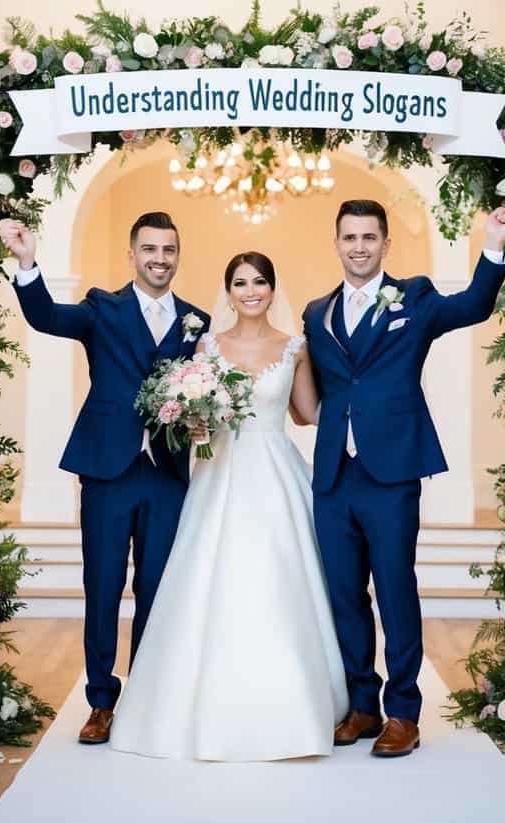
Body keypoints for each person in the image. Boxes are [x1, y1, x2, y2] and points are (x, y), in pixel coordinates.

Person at [110, 251, 348, 760]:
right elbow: (193, 415)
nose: (251, 291)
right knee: (210, 578)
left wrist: (361, 402)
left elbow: (306, 414)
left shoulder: (294, 348)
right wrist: (194, 420)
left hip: (274, 471)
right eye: (240, 282)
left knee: (279, 578)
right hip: (219, 472)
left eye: (260, 281)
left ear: (271, 287)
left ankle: (292, 700)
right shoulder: (205, 346)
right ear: (229, 290)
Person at [302, 199, 505, 757]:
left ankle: (403, 713)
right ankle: (362, 706)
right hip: (333, 473)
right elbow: (319, 391)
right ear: (336, 243)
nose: (359, 247)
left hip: (392, 469)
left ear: (385, 244)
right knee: (344, 594)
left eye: (369, 237)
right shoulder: (315, 312)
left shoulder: (415, 299)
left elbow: (473, 305)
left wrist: (492, 247)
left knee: (394, 588)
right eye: (349, 237)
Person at [1, 212, 210, 744]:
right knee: (103, 585)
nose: (159, 258)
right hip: (107, 470)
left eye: (169, 249)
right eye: (150, 249)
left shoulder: (197, 322)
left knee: (157, 587)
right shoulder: (102, 307)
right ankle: (100, 701)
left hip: (167, 472)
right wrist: (26, 261)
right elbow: (47, 316)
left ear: (178, 255)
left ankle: (144, 694)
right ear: (132, 254)